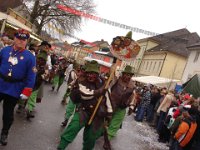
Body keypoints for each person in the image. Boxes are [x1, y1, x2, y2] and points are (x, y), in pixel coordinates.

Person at [57, 60, 109, 150]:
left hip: (97, 115)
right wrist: (100, 91)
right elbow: (85, 95)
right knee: (72, 128)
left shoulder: (103, 82)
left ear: (97, 74)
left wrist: (109, 114)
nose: (90, 75)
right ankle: (61, 148)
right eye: (89, 73)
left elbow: (108, 99)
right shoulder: (81, 80)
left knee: (91, 138)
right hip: (83, 111)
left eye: (93, 73)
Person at [0, 28, 36, 145]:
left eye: (24, 39)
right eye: (19, 38)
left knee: (8, 113)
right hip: (0, 84)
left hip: (14, 88)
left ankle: (4, 133)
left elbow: (31, 76)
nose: (21, 41)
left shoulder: (30, 57)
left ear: (27, 41)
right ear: (14, 38)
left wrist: (26, 91)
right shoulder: (5, 50)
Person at [103, 65, 135, 150]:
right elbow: (108, 87)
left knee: (115, 125)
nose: (128, 77)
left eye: (130, 75)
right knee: (106, 122)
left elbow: (132, 96)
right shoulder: (116, 80)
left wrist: (131, 106)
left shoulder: (132, 85)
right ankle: (100, 133)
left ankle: (107, 141)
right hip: (111, 105)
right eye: (126, 74)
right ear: (123, 74)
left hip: (122, 108)